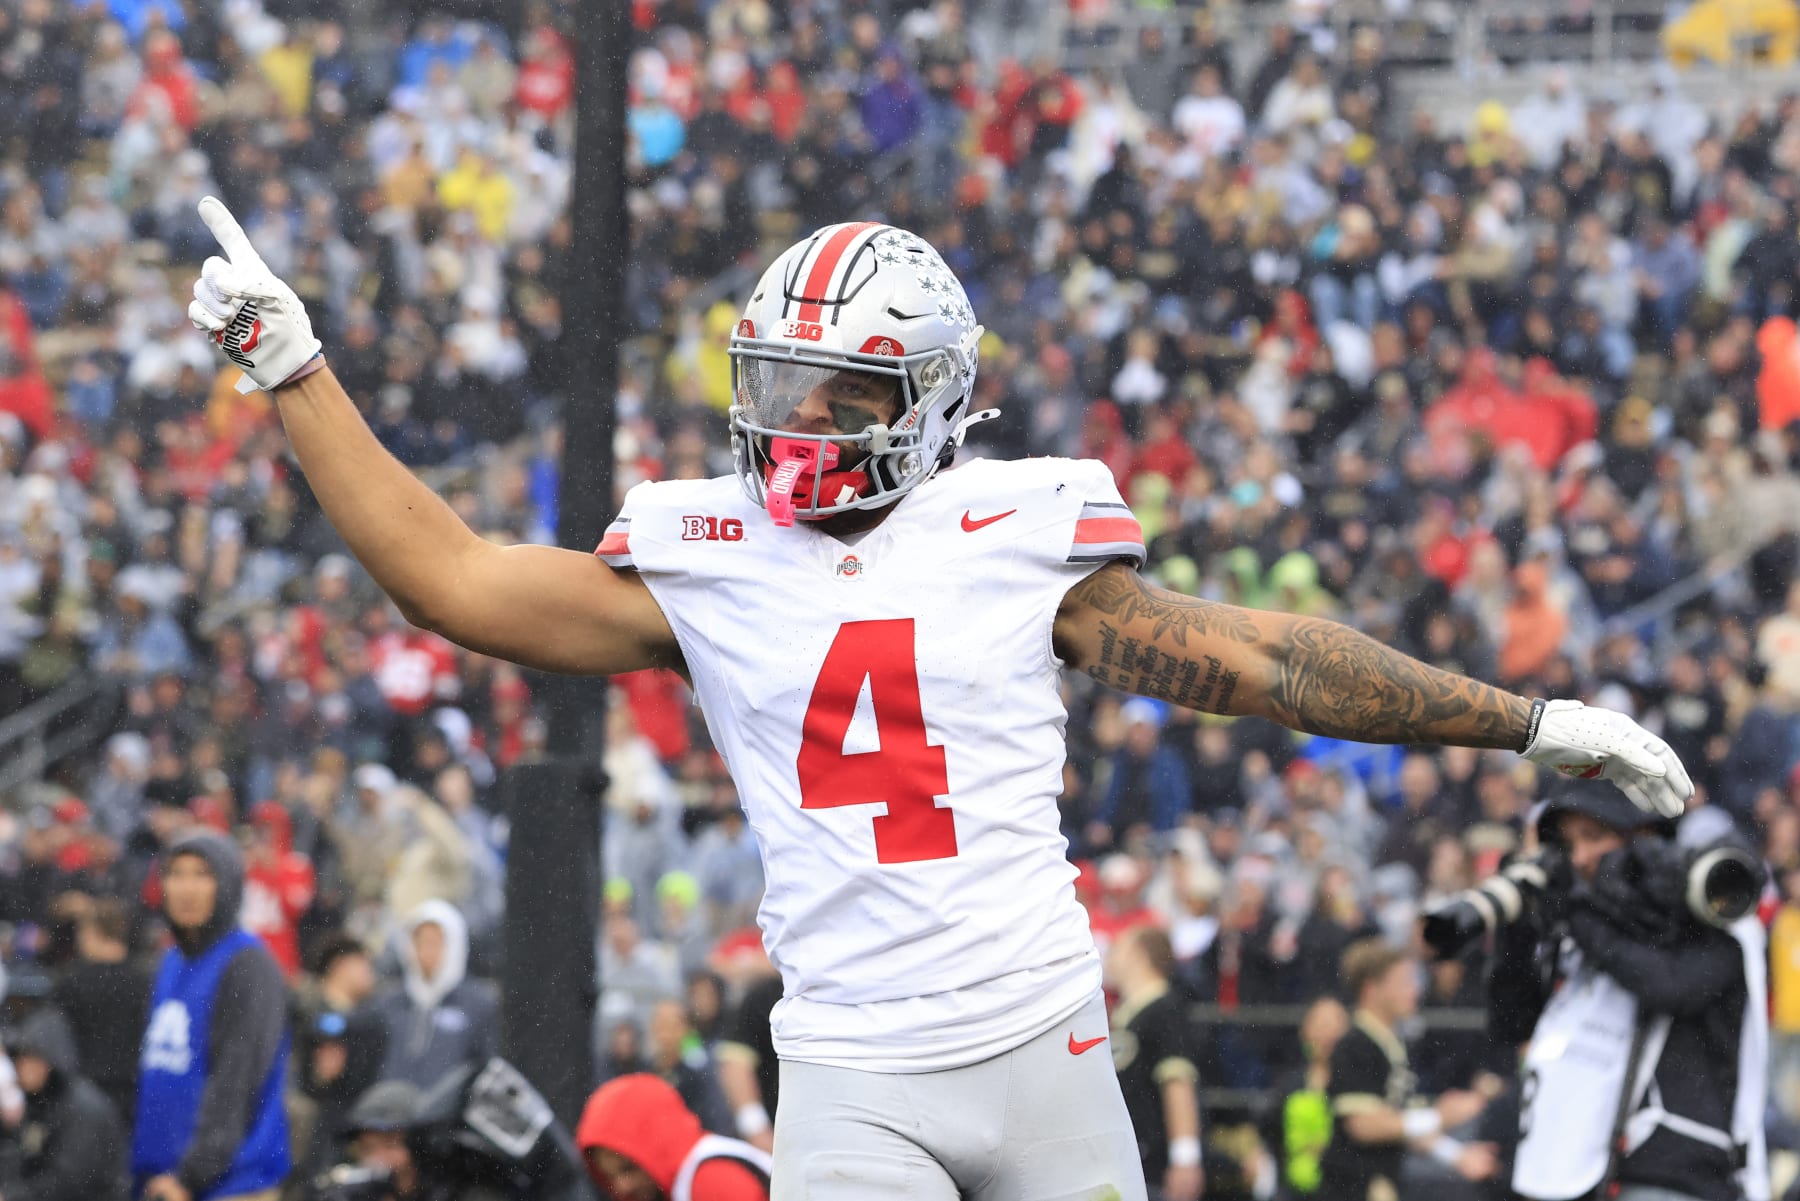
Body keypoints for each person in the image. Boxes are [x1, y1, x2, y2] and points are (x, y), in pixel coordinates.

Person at [187, 200, 1693, 1201]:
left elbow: (1265, 663)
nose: (792, 421)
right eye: (777, 382)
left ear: (927, 400)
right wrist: (296, 370)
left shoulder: (1017, 531)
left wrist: (1523, 720)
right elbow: (449, 579)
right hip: (850, 1066)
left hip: (1043, 1039)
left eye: (836, 395)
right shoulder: (705, 554)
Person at [1484, 783, 1769, 1201]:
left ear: (1646, 836)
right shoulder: (1584, 927)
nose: (1579, 858)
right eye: (1568, 844)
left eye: (1594, 837)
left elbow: (1667, 986)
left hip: (1672, 1174)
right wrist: (1519, 923)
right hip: (1577, 1171)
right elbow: (1511, 1021)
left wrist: (1573, 913)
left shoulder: (1716, 919)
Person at [133, 831, 291, 1201]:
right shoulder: (170, 962)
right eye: (176, 873)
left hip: (229, 1184)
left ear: (228, 884)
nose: (187, 888)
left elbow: (237, 1080)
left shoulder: (247, 964)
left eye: (203, 874)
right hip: (164, 1180)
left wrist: (191, 1176)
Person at [1316, 940, 1498, 1201]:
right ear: (1371, 989)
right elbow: (1362, 1124)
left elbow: (1400, 1123)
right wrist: (1438, 1117)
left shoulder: (1393, 1044)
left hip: (1383, 1182)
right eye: (1403, 982)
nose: (1414, 990)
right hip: (1351, 1187)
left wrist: (1458, 1155)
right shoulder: (1355, 1044)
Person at [1104, 926, 1205, 1201]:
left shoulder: (1164, 1009)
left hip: (1152, 1164)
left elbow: (1177, 1081)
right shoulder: (1132, 1013)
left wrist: (1185, 1158)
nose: (1109, 957)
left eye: (1117, 948)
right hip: (1133, 1160)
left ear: (1139, 954)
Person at [577, 1073, 770, 1201]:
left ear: (659, 1142)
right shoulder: (691, 1175)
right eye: (609, 1176)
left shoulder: (709, 1181)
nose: (622, 1186)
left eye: (629, 1167)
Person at [5, 1007, 130, 1201]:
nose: (24, 1068)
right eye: (20, 1059)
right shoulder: (39, 1102)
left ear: (52, 1061)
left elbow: (70, 1181)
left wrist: (13, 1196)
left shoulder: (84, 1109)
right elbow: (21, 1158)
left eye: (33, 1059)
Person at [373, 900, 498, 1090]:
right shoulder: (389, 1004)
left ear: (455, 945)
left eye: (435, 942)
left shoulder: (479, 1004)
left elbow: (486, 1069)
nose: (426, 952)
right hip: (393, 1106)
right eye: (419, 942)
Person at [50, 896, 152, 1124]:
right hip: (134, 1094)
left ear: (90, 932)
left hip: (84, 1096)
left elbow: (57, 1040)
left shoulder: (71, 984)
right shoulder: (147, 982)